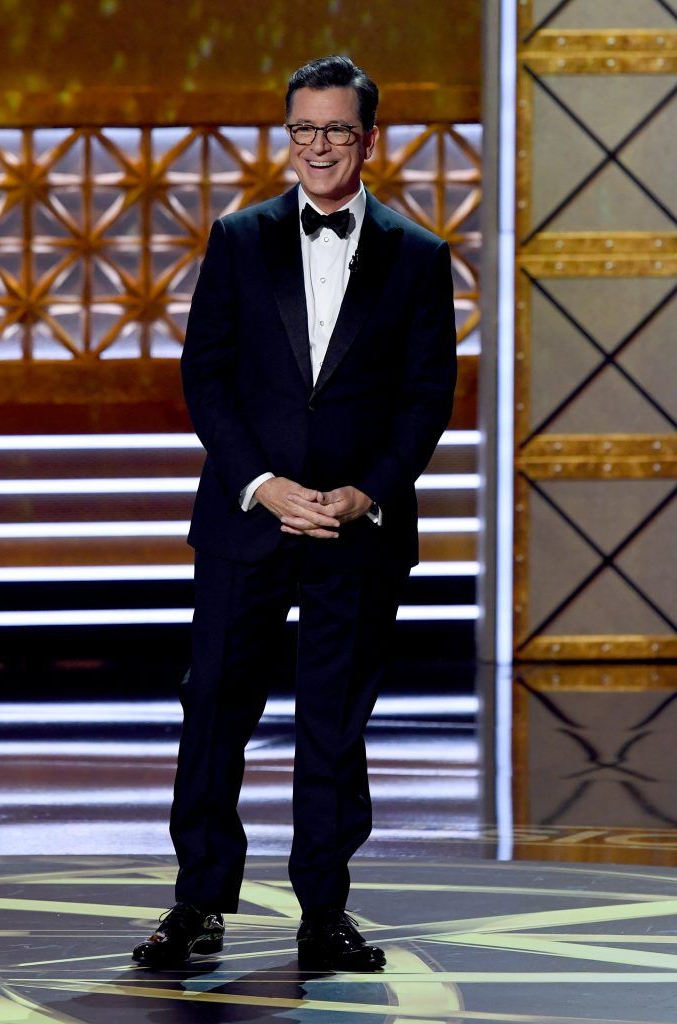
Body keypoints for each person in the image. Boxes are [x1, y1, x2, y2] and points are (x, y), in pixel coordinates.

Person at [133, 54, 457, 972]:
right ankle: (198, 903)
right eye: (304, 130)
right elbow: (207, 375)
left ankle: (325, 912)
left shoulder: (420, 254)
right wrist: (263, 484)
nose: (319, 147)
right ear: (290, 135)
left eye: (337, 130)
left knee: (333, 720)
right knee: (214, 712)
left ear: (370, 139)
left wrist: (368, 493)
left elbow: (427, 397)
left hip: (357, 527)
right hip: (249, 516)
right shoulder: (239, 239)